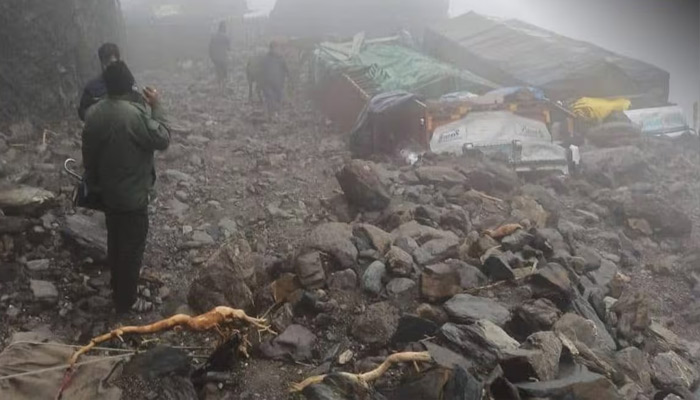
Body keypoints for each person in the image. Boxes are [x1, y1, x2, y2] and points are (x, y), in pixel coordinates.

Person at [81, 60, 170, 313]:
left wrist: (94, 182)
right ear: (129, 85)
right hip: (132, 197)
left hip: (107, 194)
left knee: (115, 241)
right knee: (132, 248)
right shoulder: (133, 115)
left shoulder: (94, 113)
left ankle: (118, 287)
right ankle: (126, 301)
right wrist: (157, 106)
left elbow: (88, 154)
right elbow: (162, 138)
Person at [78, 43, 142, 121]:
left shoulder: (128, 82)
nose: (109, 67)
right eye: (106, 62)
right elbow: (83, 112)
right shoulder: (92, 87)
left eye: (112, 63)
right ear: (101, 63)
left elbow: (139, 105)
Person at [259, 40, 289, 118]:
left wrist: (289, 78)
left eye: (278, 48)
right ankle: (271, 115)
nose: (277, 50)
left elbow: (286, 69)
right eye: (275, 48)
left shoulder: (281, 59)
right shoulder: (265, 59)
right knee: (270, 99)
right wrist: (261, 83)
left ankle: (276, 113)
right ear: (271, 49)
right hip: (267, 84)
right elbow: (261, 71)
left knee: (278, 98)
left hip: (279, 83)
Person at [209, 21, 231, 86]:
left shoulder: (214, 36)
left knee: (218, 71)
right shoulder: (225, 37)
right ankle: (223, 85)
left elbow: (210, 48)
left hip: (215, 58)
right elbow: (229, 48)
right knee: (224, 73)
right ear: (223, 28)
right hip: (223, 58)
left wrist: (212, 57)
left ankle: (219, 85)